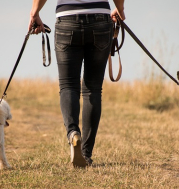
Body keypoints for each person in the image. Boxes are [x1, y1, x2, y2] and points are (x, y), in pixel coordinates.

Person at [29, 0, 125, 167]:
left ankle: (73, 133)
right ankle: (86, 154)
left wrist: (34, 13)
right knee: (93, 89)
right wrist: (120, 9)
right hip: (100, 20)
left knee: (68, 85)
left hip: (67, 19)